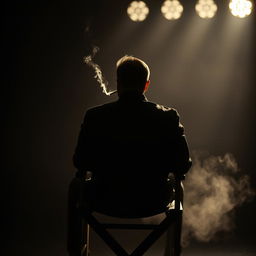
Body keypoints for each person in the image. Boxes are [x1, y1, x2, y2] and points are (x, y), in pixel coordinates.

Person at [67, 55, 192, 256]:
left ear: (118, 82)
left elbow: (79, 161)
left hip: (104, 198)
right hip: (153, 199)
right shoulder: (168, 116)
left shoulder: (95, 116)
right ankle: (172, 252)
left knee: (76, 186)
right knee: (180, 187)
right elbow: (183, 165)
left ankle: (76, 250)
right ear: (146, 85)